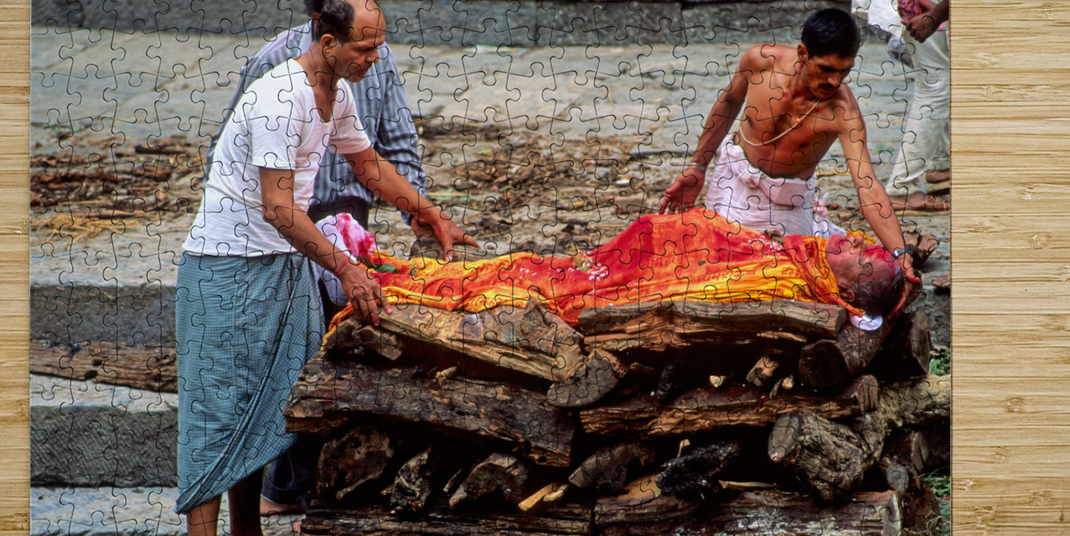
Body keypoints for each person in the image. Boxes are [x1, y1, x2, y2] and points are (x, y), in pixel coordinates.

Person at [176, 0, 475, 536]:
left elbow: (370, 167)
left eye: (379, 46)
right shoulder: (280, 96)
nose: (374, 58)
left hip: (277, 265)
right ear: (329, 40)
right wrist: (347, 267)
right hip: (225, 267)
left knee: (261, 401)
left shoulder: (335, 94)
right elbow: (278, 208)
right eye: (365, 48)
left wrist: (430, 214)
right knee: (216, 410)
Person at [659, 8, 918, 283]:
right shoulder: (760, 61)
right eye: (826, 69)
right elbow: (728, 102)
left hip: (785, 202)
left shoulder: (844, 112)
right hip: (733, 181)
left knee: (780, 277)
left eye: (845, 71)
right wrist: (697, 167)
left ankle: (824, 229)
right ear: (802, 53)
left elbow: (868, 186)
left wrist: (900, 254)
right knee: (714, 264)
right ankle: (822, 229)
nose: (835, 81)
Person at [357, 209, 905, 330]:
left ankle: (396, 281)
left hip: (624, 281)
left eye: (861, 254)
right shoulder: (804, 259)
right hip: (619, 259)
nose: (855, 239)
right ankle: (393, 271)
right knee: (526, 266)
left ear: (847, 289)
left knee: (523, 281)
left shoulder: (786, 282)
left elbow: (687, 288)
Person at [209, 0, 429, 234]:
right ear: (321, 22)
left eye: (369, 4)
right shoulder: (273, 65)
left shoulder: (375, 58)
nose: (367, 13)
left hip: (349, 210)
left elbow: (393, 147)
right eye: (349, 7)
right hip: (278, 219)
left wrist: (421, 212)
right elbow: (226, 151)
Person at [851, 0, 951, 213]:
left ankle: (942, 164)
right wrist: (936, 15)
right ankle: (903, 186)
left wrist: (938, 13)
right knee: (937, 81)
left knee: (940, 72)